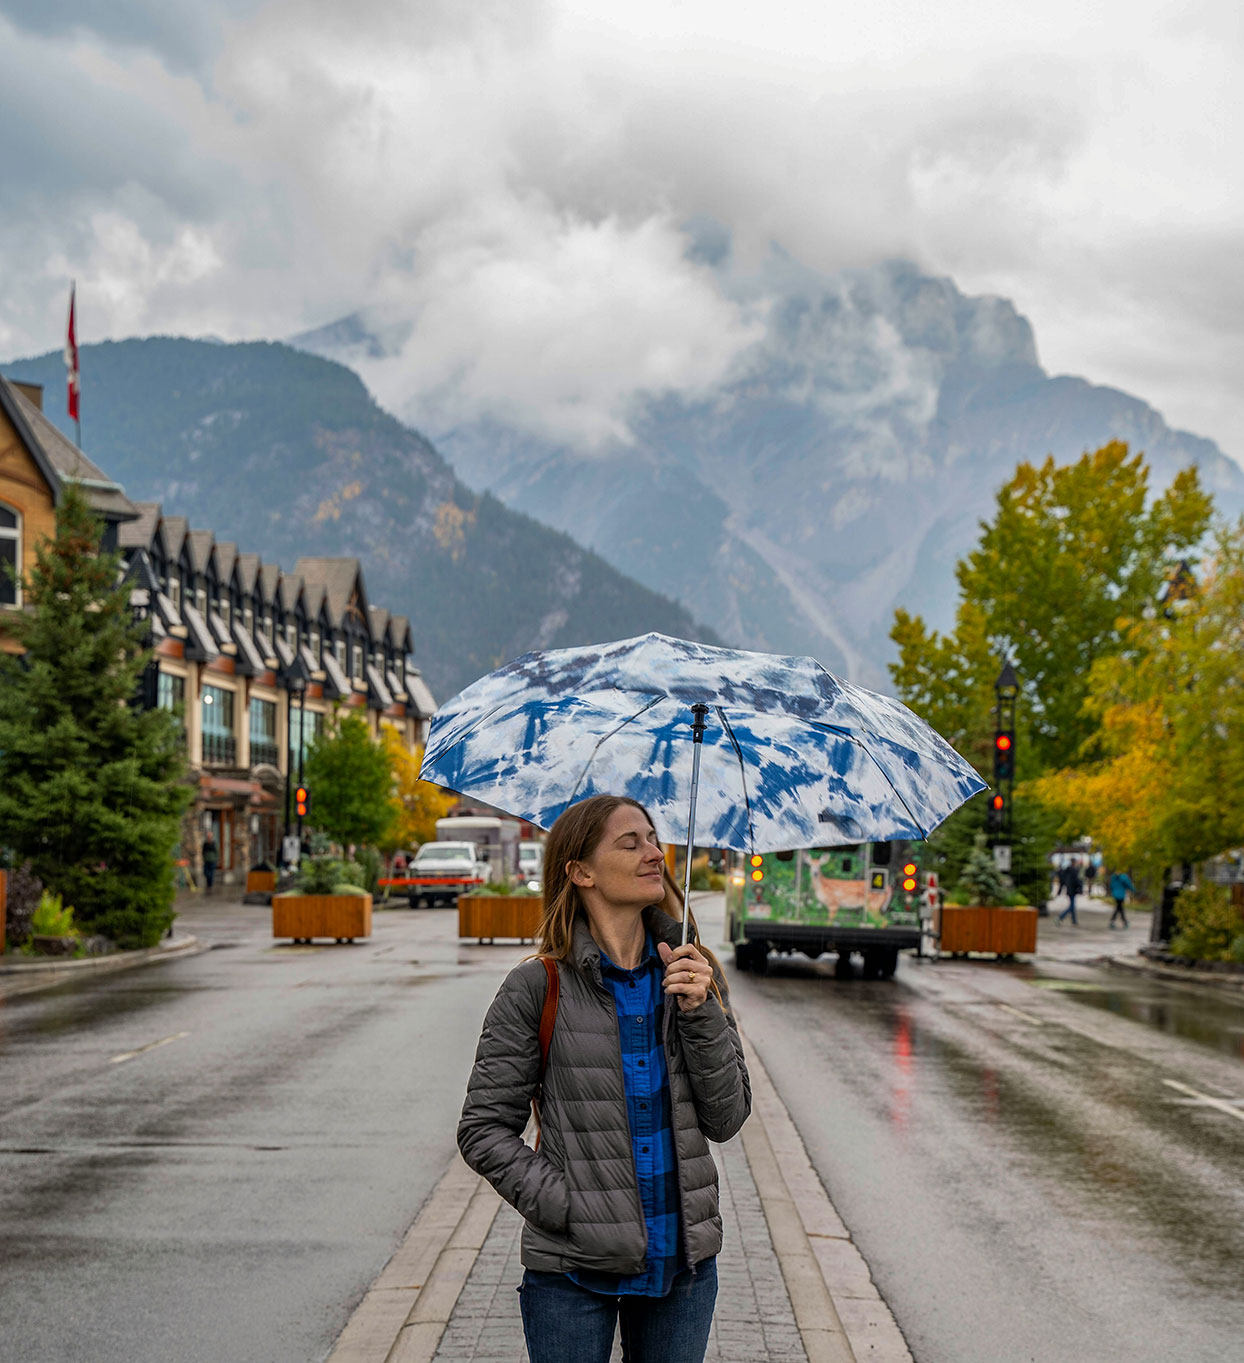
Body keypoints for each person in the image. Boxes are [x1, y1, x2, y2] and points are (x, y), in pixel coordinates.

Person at [457, 794, 751, 1363]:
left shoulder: (692, 975)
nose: (653, 853)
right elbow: (483, 1131)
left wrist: (701, 1012)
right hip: (571, 1275)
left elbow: (726, 1118)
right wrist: (566, 1205)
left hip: (681, 1268)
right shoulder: (537, 987)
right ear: (581, 872)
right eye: (630, 842)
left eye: (652, 838)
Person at [1057, 860, 1082, 925]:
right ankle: (1060, 917)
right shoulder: (1073, 870)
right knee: (1072, 906)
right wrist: (1080, 887)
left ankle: (1074, 920)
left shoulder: (1067, 870)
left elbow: (1062, 881)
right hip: (1072, 890)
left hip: (1069, 889)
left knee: (1072, 905)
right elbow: (1076, 880)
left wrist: (1059, 891)